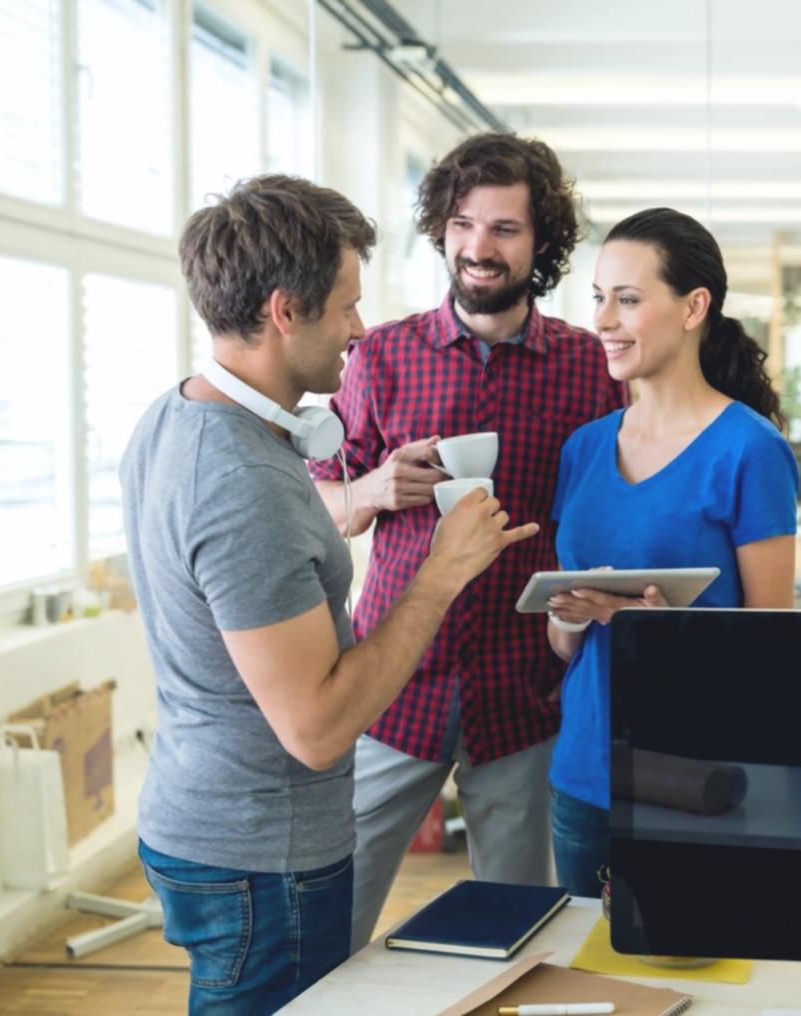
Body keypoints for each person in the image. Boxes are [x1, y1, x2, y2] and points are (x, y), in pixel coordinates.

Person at [119, 175, 536, 1014]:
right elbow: (316, 728)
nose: (359, 327)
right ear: (284, 311)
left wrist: (371, 493)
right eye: (345, 306)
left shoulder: (177, 417)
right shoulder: (242, 480)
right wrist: (443, 572)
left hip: (205, 822)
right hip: (259, 857)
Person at [307, 133, 628, 950]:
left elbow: (606, 513)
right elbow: (319, 510)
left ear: (541, 242)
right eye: (462, 223)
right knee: (329, 917)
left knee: (517, 931)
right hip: (393, 684)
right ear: (442, 230)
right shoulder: (378, 357)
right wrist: (374, 488)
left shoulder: (590, 369)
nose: (478, 247)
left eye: (505, 229)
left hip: (525, 691)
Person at [544, 207, 800, 896]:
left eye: (628, 300)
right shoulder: (584, 449)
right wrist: (571, 616)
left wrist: (661, 635)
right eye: (599, 298)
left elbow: (774, 642)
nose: (603, 321)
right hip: (584, 771)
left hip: (694, 774)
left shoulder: (750, 451)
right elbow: (568, 643)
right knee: (588, 985)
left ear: (694, 307)